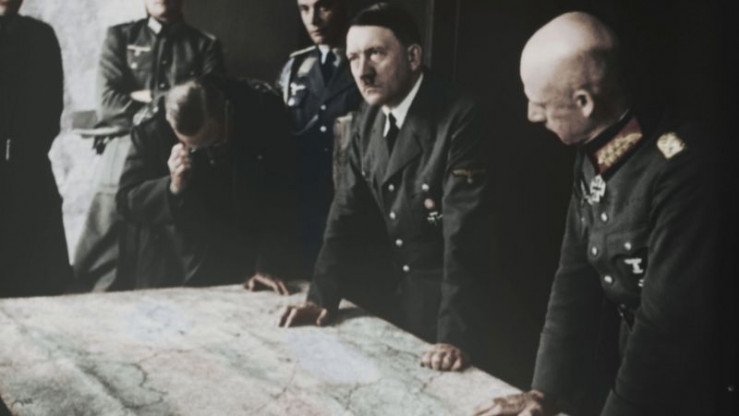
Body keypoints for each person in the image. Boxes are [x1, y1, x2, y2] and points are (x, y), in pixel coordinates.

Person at [472, 12, 731, 416]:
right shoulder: (596, 153)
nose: (531, 116)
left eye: (540, 103)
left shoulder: (680, 169)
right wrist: (544, 392)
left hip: (697, 383)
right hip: (637, 368)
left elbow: (664, 327)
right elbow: (573, 281)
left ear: (584, 103)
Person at [278, 3, 492, 372]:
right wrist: (320, 297)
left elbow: (464, 237)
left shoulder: (460, 116)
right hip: (396, 304)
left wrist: (454, 336)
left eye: (375, 53)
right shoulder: (369, 117)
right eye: (353, 57)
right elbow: (345, 213)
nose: (362, 71)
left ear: (413, 57)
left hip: (457, 315)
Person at [73, 0, 224, 290]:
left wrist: (145, 97)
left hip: (177, 151)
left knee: (169, 262)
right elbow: (107, 104)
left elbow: (207, 104)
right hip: (122, 152)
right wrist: (171, 102)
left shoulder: (204, 45)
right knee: (103, 260)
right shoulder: (120, 38)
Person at [115, 77, 298, 290]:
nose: (207, 151)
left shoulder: (260, 109)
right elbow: (126, 201)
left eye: (213, 139)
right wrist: (172, 187)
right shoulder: (152, 127)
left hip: (245, 257)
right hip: (175, 263)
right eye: (192, 146)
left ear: (224, 110)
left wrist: (268, 264)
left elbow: (284, 193)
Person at [278, 0, 363, 275]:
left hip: (352, 203)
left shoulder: (364, 64)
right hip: (303, 206)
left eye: (323, 7)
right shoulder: (294, 67)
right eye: (304, 9)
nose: (313, 19)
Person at [0, 0, 72, 297]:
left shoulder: (40, 36)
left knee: (39, 282)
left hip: (28, 169)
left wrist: (24, 150)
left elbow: (51, 105)